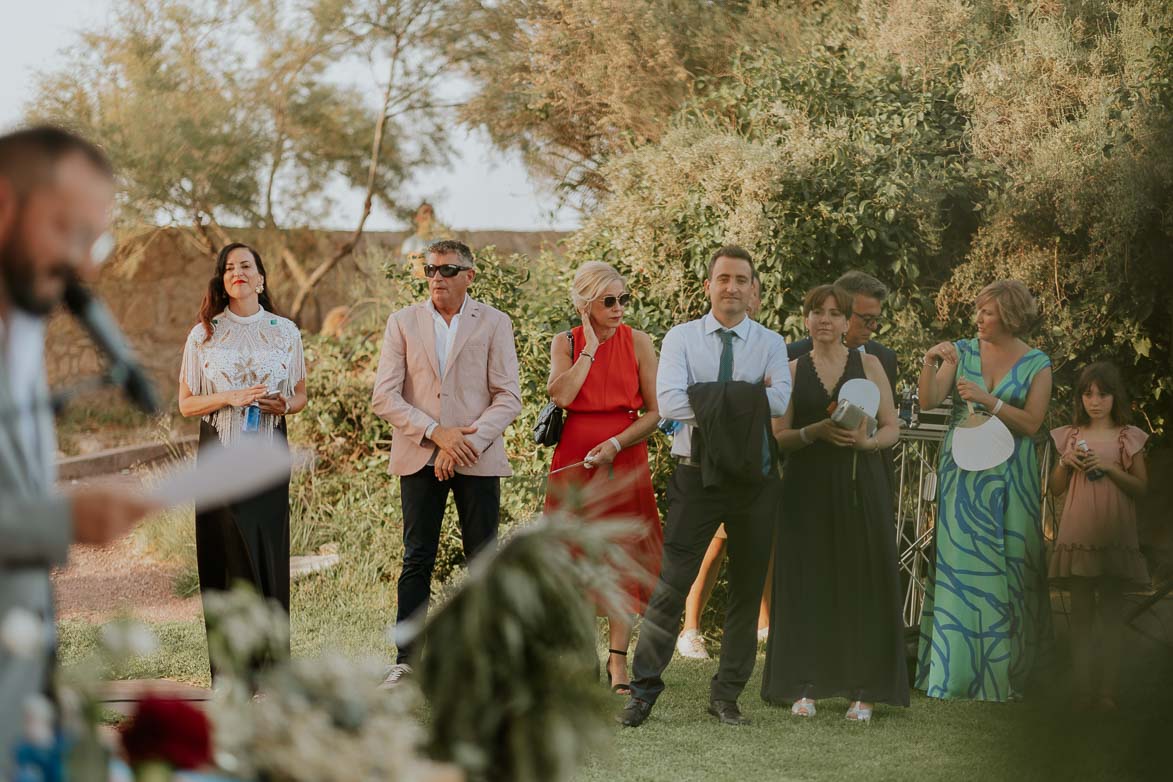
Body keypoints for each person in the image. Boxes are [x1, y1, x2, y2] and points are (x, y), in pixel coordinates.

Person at [0, 126, 157, 767]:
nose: (88, 264)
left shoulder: (25, 329)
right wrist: (63, 519)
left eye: (96, 239)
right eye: (67, 229)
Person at [618, 246, 790, 728]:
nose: (732, 287)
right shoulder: (681, 338)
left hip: (755, 479)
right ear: (708, 285)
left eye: (741, 279)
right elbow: (670, 403)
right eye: (723, 278)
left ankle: (727, 695)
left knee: (747, 585)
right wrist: (745, 400)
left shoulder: (770, 342)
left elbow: (779, 401)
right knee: (671, 584)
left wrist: (716, 400)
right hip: (696, 474)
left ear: (753, 289)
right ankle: (643, 691)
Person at [372, 239, 522, 685]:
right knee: (418, 556)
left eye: (447, 270)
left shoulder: (495, 322)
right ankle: (407, 660)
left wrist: (463, 443)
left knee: (483, 559)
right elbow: (385, 395)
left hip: (478, 455)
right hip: (420, 454)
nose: (436, 277)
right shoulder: (402, 323)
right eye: (430, 270)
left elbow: (507, 396)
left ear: (469, 275)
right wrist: (437, 435)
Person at [760, 284, 909, 721]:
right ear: (805, 319)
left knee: (861, 584)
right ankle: (804, 686)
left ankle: (863, 692)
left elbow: (891, 426)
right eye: (816, 312)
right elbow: (779, 436)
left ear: (847, 322)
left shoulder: (870, 364)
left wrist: (866, 445)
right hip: (806, 490)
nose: (825, 319)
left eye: (834, 313)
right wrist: (815, 433)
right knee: (808, 584)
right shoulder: (789, 368)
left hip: (862, 487)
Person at [916, 279, 1053, 702]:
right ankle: (952, 674)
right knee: (961, 569)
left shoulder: (1037, 363)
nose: (977, 319)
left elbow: (1032, 424)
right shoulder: (963, 351)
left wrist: (988, 400)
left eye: (987, 312)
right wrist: (929, 361)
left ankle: (1006, 677)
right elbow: (927, 401)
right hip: (965, 474)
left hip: (1015, 477)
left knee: (1012, 566)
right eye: (977, 310)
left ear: (1009, 316)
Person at [178, 241, 308, 679]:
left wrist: (284, 406)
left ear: (260, 278)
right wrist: (230, 396)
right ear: (223, 279)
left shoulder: (286, 331)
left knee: (268, 557)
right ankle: (233, 675)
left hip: (269, 453)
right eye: (229, 267)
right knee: (226, 557)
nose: (237, 272)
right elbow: (186, 404)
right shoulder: (204, 334)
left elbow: (302, 394)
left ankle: (273, 673)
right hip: (219, 456)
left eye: (246, 265)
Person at [544, 261, 662, 694]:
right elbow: (562, 395)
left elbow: (655, 412)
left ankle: (618, 663)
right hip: (574, 459)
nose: (619, 308)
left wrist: (616, 444)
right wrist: (590, 347)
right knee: (574, 556)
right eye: (609, 301)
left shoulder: (641, 342)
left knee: (620, 558)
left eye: (624, 299)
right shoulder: (566, 342)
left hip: (624, 458)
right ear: (585, 304)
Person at [677, 270, 770, 659]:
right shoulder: (691, 340)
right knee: (712, 547)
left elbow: (775, 399)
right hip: (710, 457)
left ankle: (765, 626)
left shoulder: (767, 344)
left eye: (750, 288)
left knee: (766, 548)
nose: (743, 294)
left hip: (754, 460)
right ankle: (690, 628)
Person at [1048, 361, 1149, 711]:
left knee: (1110, 616)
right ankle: (1082, 691)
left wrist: (1109, 468)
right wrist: (1064, 463)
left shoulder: (1128, 436)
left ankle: (1108, 693)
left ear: (1114, 396)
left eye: (1102, 394)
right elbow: (1055, 489)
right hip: (1079, 535)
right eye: (1088, 394)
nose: (1095, 401)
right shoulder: (1071, 436)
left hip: (1114, 536)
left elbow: (1141, 488)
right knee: (1080, 619)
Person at [786, 270, 898, 398]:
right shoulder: (789, 357)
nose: (874, 326)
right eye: (867, 319)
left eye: (876, 319)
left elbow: (889, 415)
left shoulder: (885, 358)